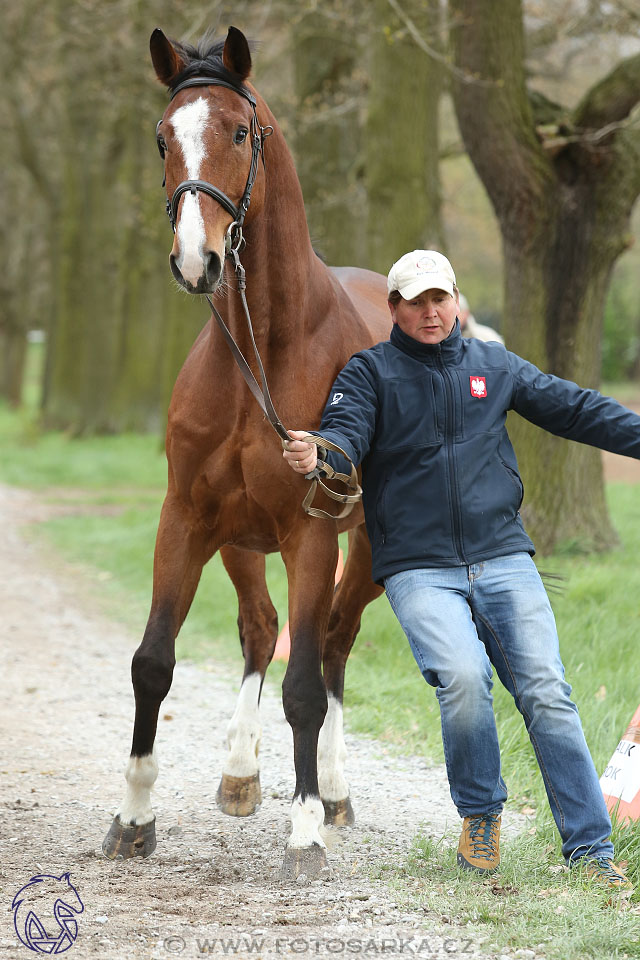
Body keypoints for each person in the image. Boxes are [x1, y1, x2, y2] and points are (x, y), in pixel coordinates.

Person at [283, 249, 639, 890]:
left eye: (439, 298)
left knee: (547, 692)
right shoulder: (369, 374)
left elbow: (577, 408)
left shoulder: (493, 365)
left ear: (456, 300)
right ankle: (481, 816)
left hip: (503, 556)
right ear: (393, 308)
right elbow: (344, 434)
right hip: (419, 569)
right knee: (465, 678)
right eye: (414, 301)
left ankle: (592, 853)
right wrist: (321, 453)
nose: (429, 312)